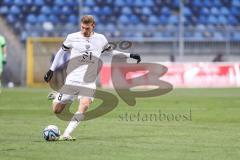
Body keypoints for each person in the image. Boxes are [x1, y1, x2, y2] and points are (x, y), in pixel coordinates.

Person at [44, 15, 141, 141]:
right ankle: (58, 95)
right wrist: (51, 70)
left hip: (88, 81)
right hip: (72, 80)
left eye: (87, 28)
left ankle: (66, 134)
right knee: (57, 110)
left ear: (93, 26)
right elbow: (60, 52)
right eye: (82, 27)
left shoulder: (100, 39)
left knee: (84, 105)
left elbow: (111, 52)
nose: (84, 30)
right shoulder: (72, 37)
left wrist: (130, 55)